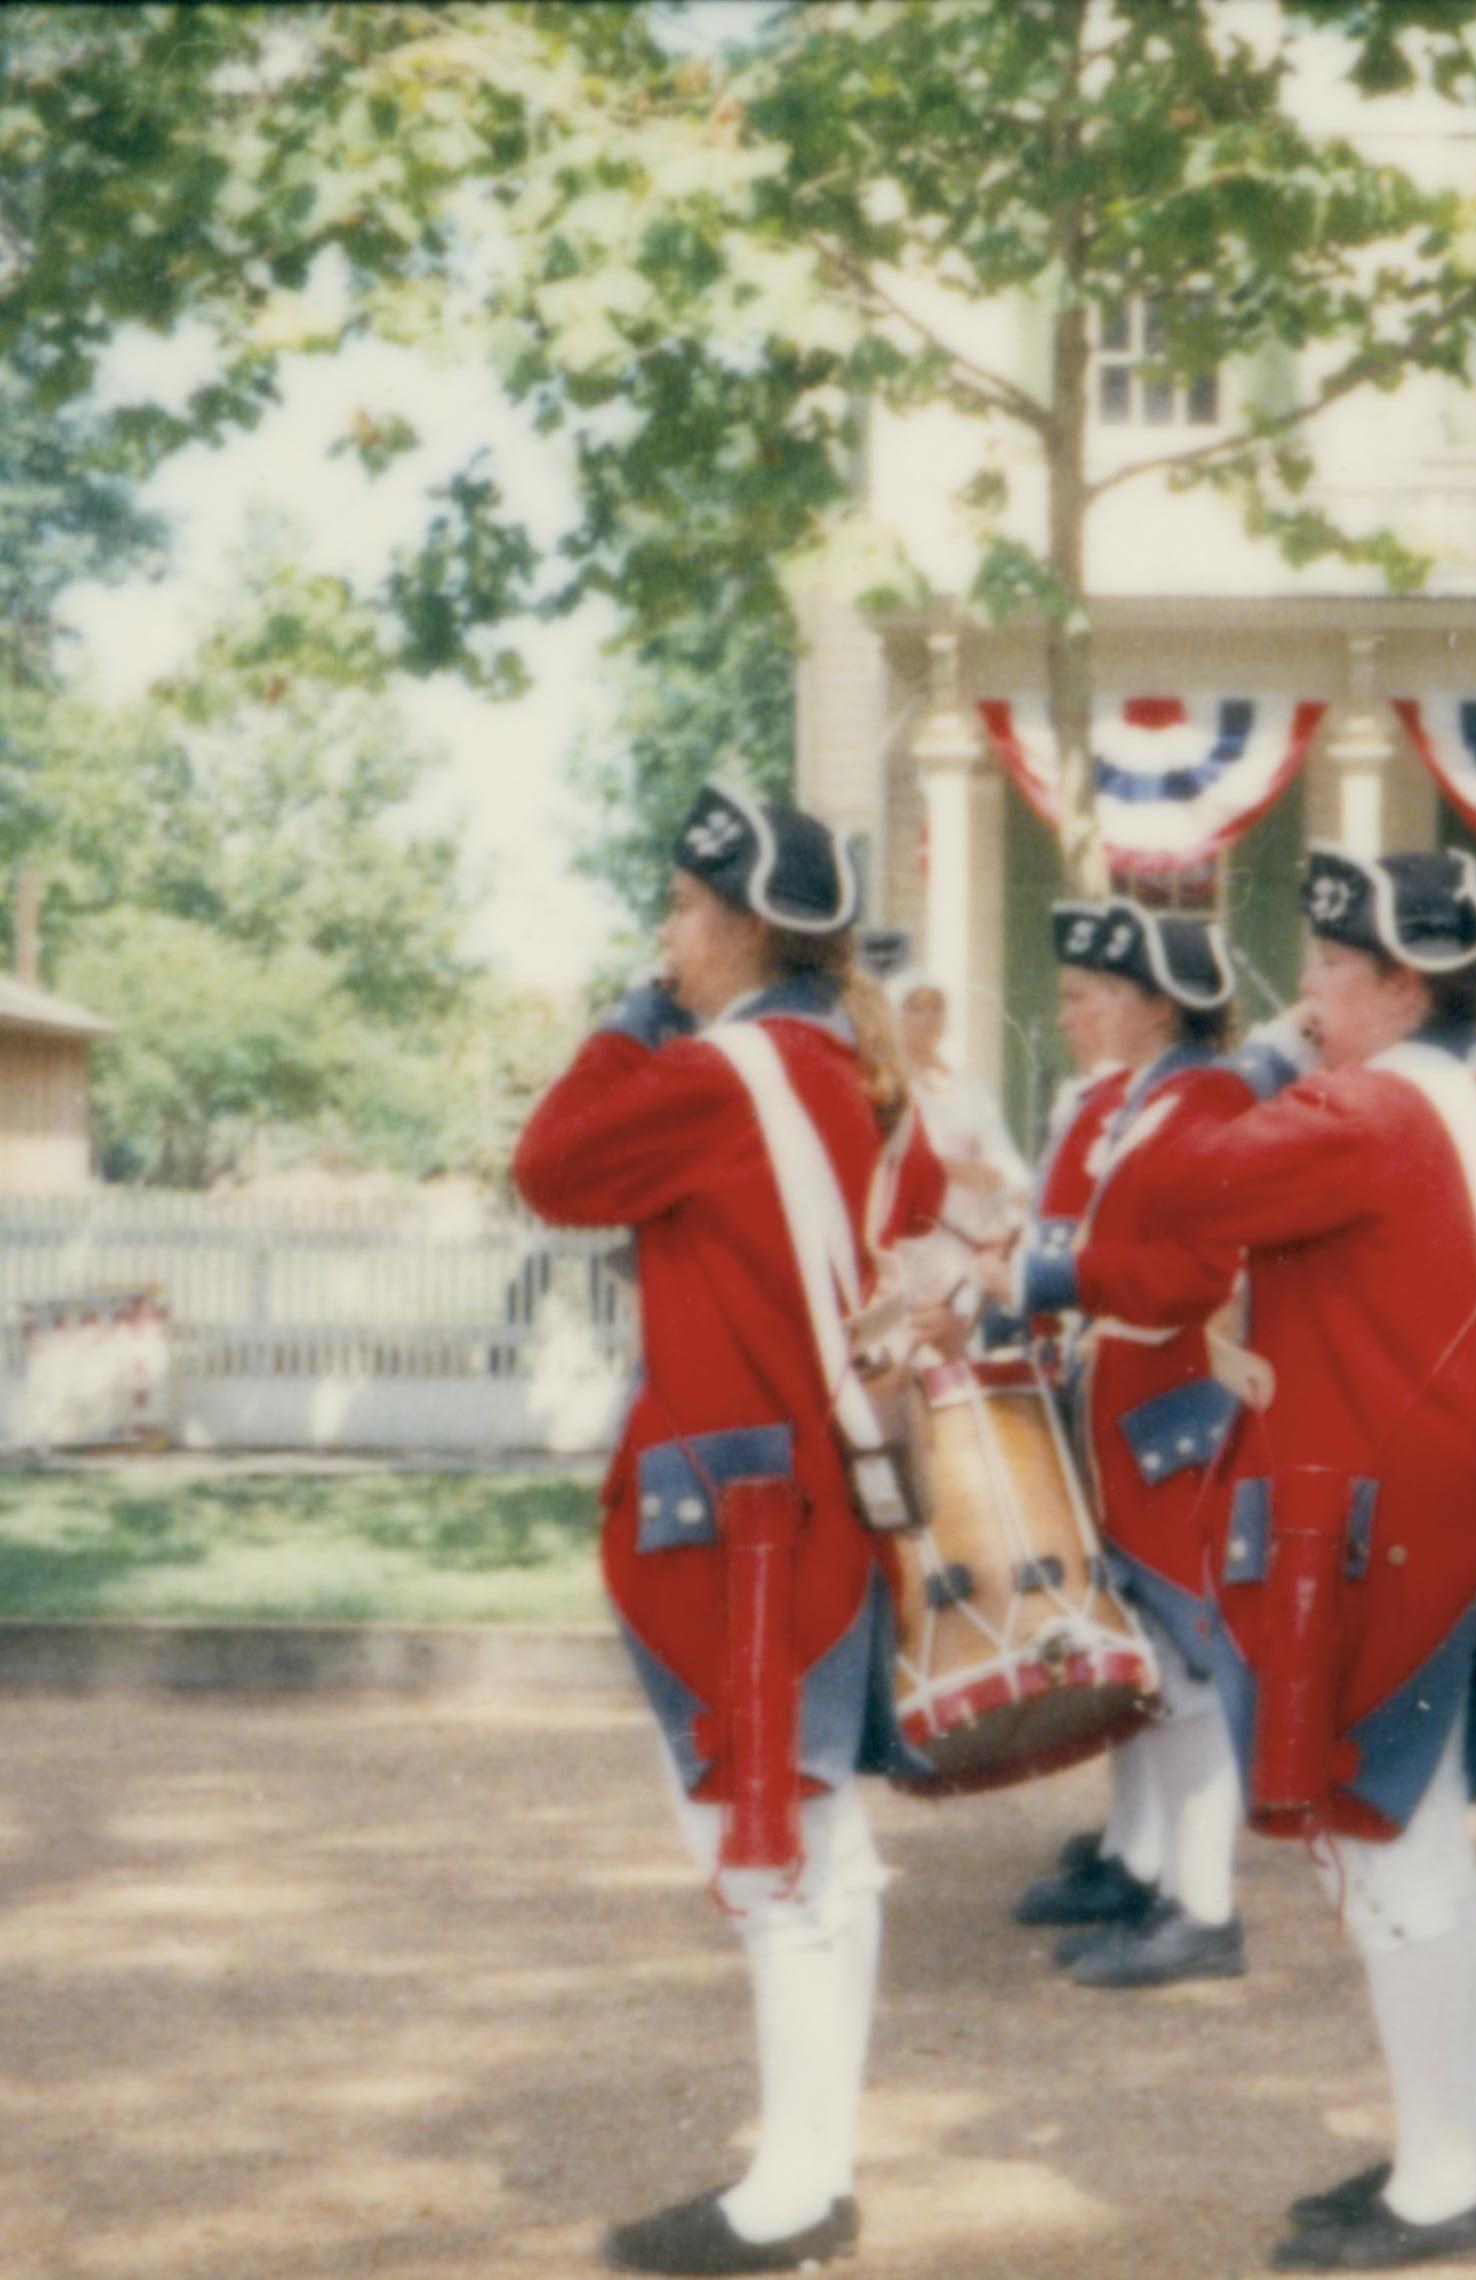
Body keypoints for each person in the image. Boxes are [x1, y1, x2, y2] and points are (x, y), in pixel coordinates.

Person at [1092, 845, 1476, 2272]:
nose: (1305, 1000)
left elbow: (1163, 1197)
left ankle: (1443, 2185)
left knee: (1395, 1860)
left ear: (1407, 985)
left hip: (1374, 1524)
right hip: (1441, 1510)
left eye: (1334, 976)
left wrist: (1231, 1071)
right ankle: (1439, 2154)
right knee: (1422, 1859)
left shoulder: (1370, 1106)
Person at [514, 784, 944, 2277]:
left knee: (774, 1860)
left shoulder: (722, 1071)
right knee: (825, 1852)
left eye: (684, 916)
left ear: (749, 927)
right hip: (825, 1495)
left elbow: (552, 1167)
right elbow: (927, 1207)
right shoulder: (860, 1076)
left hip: (736, 1515)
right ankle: (813, 2165)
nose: (667, 937)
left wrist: (635, 1015)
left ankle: (793, 2196)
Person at [1020, 901, 1261, 1990]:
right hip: (1135, 1403)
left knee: (1189, 1666)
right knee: (1157, 1662)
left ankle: (1203, 1906)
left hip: (1176, 1412)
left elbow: (1197, 1275)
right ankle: (1166, 1878)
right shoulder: (1156, 1102)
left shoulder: (1203, 1100)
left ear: (1158, 1005)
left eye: (1097, 994)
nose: (1077, 1012)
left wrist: (1055, 1281)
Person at [1004, 903, 1165, 1935]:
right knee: (1124, 1630)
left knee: (1148, 1641)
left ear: (1137, 1002)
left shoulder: (1131, 1109)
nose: (1061, 1014)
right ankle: (1131, 1842)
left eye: (1079, 996)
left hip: (1128, 1388)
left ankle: (1152, 1861)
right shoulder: (1101, 1102)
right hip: (1085, 1376)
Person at [886, 971, 1034, 1322]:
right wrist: (950, 1168)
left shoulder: (969, 1086)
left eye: (937, 1008)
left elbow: (1002, 1159)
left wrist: (1008, 1184)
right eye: (915, 1008)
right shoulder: (886, 1085)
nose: (928, 1018)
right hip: (910, 1240)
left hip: (966, 1241)